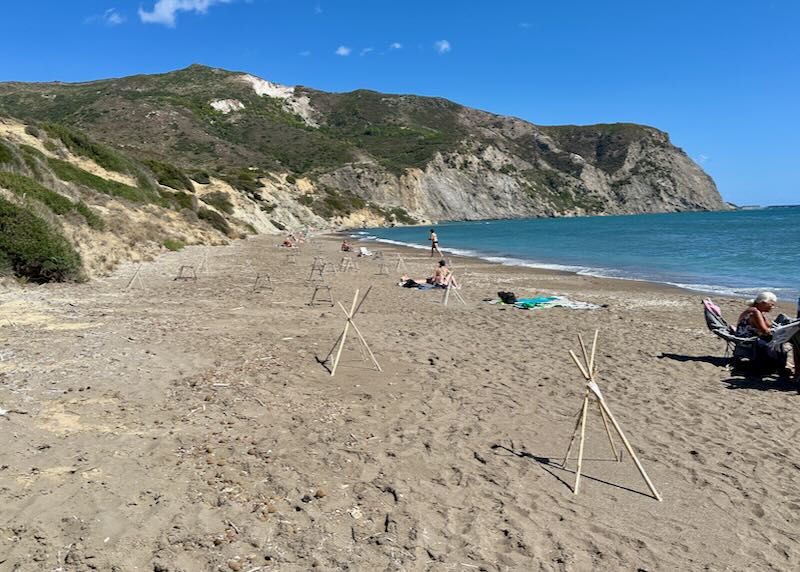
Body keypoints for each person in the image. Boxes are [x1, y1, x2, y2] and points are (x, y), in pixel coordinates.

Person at [737, 291, 800, 380]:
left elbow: (769, 325)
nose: (773, 307)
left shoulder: (755, 310)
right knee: (780, 341)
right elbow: (765, 331)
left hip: (746, 336)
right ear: (763, 303)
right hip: (749, 339)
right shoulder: (755, 312)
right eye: (771, 304)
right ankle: (781, 367)